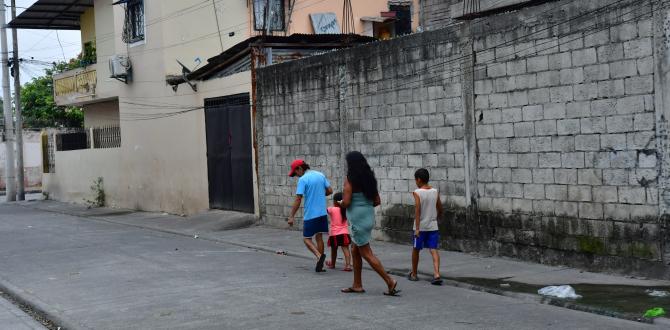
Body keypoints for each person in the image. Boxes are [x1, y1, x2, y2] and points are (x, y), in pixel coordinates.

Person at [340, 151, 400, 296]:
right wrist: (364, 205)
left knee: (366, 253)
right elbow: (377, 201)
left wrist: (340, 203)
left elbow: (347, 202)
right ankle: (357, 285)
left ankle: (389, 281)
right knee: (355, 250)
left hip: (357, 219)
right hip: (367, 217)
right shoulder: (370, 178)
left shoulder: (350, 180)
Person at [287, 159, 333, 272]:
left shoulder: (303, 179)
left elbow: (298, 199)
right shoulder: (320, 175)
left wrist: (291, 216)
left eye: (295, 173)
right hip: (322, 213)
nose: (296, 176)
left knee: (306, 239)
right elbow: (330, 190)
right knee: (319, 237)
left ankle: (318, 256)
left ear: (300, 168)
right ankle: (320, 265)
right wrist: (319, 194)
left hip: (311, 214)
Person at [407, 168, 444, 285]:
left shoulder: (417, 192)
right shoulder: (435, 191)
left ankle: (414, 273)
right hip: (433, 226)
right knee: (433, 249)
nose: (415, 182)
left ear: (419, 179)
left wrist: (417, 228)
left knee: (416, 250)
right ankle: (437, 274)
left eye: (415, 180)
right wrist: (437, 217)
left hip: (421, 227)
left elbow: (417, 210)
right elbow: (440, 207)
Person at [326, 192, 352, 271]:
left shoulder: (331, 209)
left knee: (334, 250)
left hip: (334, 234)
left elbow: (324, 210)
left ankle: (333, 264)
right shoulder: (346, 210)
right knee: (346, 249)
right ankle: (348, 265)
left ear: (335, 201)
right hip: (344, 233)